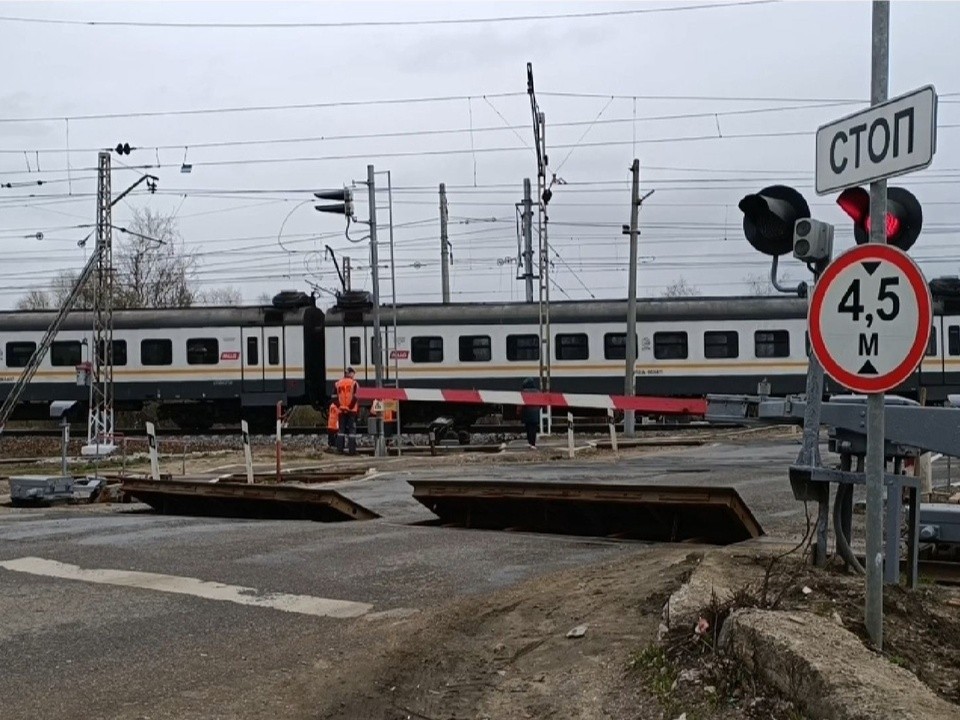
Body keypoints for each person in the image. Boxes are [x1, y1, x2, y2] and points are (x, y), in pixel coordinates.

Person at [335, 367, 360, 455]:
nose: (354, 375)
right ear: (350, 373)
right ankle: (352, 451)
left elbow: (334, 398)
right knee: (352, 431)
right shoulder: (354, 383)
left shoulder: (338, 383)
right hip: (351, 411)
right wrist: (349, 407)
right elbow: (356, 397)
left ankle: (339, 450)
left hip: (341, 410)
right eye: (353, 373)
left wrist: (340, 406)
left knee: (341, 430)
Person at [520, 377, 540, 449]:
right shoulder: (537, 392)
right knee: (533, 429)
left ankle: (529, 442)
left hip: (527, 412)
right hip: (535, 413)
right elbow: (541, 402)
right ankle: (533, 444)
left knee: (528, 428)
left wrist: (519, 411)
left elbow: (521, 403)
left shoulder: (523, 392)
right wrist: (539, 408)